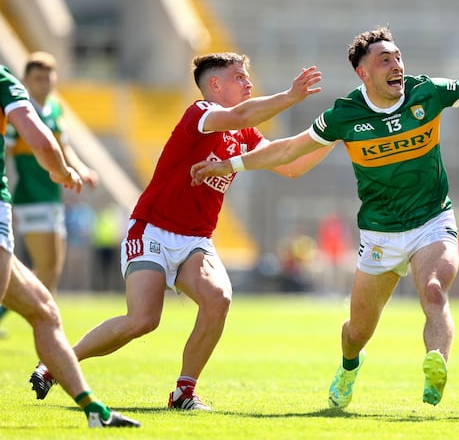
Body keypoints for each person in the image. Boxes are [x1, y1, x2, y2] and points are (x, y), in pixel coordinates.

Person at [189, 26, 459, 408]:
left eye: (398, 57)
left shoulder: (427, 92)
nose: (396, 65)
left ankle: (436, 364)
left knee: (433, 289)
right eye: (384, 60)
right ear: (363, 72)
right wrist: (232, 164)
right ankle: (348, 367)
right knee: (357, 331)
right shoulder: (345, 114)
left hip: (433, 220)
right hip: (380, 235)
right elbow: (289, 150)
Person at [30, 52, 332, 411]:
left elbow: (292, 163)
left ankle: (183, 392)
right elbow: (240, 114)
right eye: (240, 76)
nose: (249, 83)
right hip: (152, 229)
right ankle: (56, 364)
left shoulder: (244, 132)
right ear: (215, 85)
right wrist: (290, 96)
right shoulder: (199, 113)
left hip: (196, 239)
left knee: (218, 298)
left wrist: (332, 134)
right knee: (142, 320)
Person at [0, 64, 139, 428]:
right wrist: (61, 172)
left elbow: (59, 142)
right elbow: (42, 142)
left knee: (45, 307)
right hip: (28, 199)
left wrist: (71, 164)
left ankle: (95, 412)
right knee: (47, 280)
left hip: (42, 204)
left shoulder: (55, 107)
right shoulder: (5, 82)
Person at [0, 53, 100, 317]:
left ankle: (43, 320)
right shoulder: (18, 109)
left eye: (48, 77)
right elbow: (7, 153)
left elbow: (63, 146)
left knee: (50, 268)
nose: (44, 83)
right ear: (25, 80)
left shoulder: (55, 109)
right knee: (47, 267)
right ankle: (45, 323)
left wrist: (81, 169)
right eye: (38, 78)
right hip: (30, 195)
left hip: (53, 194)